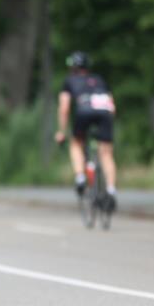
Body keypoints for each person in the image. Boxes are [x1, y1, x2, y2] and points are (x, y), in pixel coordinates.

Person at [55, 51, 117, 211]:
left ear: (72, 68)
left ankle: (81, 177)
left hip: (84, 112)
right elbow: (112, 105)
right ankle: (110, 191)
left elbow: (64, 108)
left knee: (76, 144)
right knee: (106, 153)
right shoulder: (99, 80)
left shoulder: (69, 81)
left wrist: (61, 131)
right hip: (105, 113)